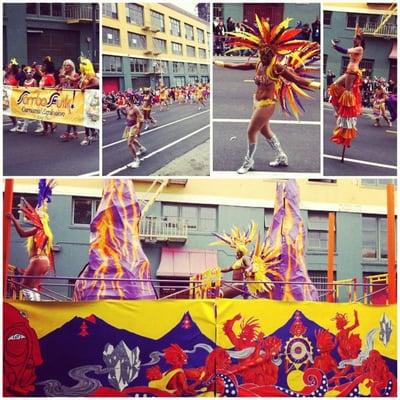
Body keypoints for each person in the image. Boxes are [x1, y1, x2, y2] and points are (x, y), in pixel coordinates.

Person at [214, 15, 320, 173]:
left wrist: (312, 84)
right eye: (261, 54)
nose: (263, 58)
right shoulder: (259, 63)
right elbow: (241, 65)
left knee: (251, 131)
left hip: (267, 104)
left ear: (273, 54)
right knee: (264, 131)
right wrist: (223, 64)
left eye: (266, 56)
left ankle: (248, 162)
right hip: (256, 101)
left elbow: (295, 79)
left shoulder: (276, 67)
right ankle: (282, 157)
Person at [6, 179, 55, 301]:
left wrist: (13, 219)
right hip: (44, 262)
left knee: (23, 287)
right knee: (33, 288)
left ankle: (32, 311)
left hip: (37, 261)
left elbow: (22, 233)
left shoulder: (38, 228)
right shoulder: (45, 231)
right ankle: (37, 308)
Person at [329, 27, 364, 150]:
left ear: (359, 41)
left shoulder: (359, 48)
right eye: (354, 38)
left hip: (352, 73)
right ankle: (338, 110)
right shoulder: (356, 47)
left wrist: (334, 46)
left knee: (348, 95)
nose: (354, 40)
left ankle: (345, 119)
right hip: (348, 72)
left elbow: (345, 50)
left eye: (356, 38)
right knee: (334, 86)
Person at [58, 59, 81, 142]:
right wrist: (60, 86)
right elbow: (62, 84)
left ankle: (67, 132)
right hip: (66, 98)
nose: (65, 67)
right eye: (64, 65)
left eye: (67, 65)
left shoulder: (75, 75)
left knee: (70, 116)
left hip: (74, 98)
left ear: (71, 66)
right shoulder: (64, 75)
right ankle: (75, 132)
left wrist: (69, 78)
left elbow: (76, 85)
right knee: (70, 116)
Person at [78, 56, 99, 145]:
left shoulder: (92, 76)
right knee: (86, 119)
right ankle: (92, 133)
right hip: (84, 99)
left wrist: (86, 87)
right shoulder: (83, 76)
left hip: (91, 100)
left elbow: (97, 84)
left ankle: (87, 136)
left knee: (89, 118)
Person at [122, 95, 146, 168]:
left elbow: (141, 119)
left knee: (129, 143)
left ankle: (136, 160)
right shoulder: (127, 107)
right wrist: (109, 103)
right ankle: (141, 148)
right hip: (128, 126)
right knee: (131, 140)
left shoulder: (136, 108)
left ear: (131, 100)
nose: (125, 99)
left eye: (126, 99)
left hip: (134, 127)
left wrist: (138, 130)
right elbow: (126, 114)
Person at [36, 56, 56, 135]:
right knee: (42, 114)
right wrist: (36, 68)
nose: (43, 67)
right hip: (41, 97)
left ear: (48, 67)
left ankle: (51, 125)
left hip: (48, 98)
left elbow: (53, 86)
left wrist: (45, 88)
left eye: (44, 66)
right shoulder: (44, 75)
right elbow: (40, 72)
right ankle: (46, 128)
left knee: (46, 114)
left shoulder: (50, 76)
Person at [17, 66, 38, 133]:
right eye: (26, 73)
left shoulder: (34, 81)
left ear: (32, 74)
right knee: (26, 113)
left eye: (29, 73)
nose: (28, 74)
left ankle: (40, 126)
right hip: (26, 100)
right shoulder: (25, 81)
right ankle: (25, 128)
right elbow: (24, 90)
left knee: (35, 113)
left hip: (33, 100)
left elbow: (36, 90)